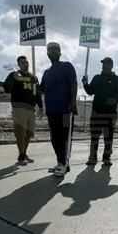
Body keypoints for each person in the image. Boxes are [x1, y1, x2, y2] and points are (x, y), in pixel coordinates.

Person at [41, 42, 78, 177]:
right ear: (47, 54)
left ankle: (64, 163)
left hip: (65, 110)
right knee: (54, 138)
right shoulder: (47, 73)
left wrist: (73, 103)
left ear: (60, 53)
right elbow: (41, 89)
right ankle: (60, 162)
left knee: (64, 137)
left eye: (55, 50)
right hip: (52, 111)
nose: (52, 52)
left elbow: (73, 84)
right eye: (50, 50)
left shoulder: (67, 67)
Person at [82, 57, 118, 166]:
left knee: (108, 137)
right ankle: (92, 157)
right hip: (96, 112)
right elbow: (90, 91)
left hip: (110, 114)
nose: (103, 66)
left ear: (111, 66)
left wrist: (115, 99)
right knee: (94, 136)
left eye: (106, 64)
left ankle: (107, 158)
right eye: (103, 64)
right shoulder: (97, 78)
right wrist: (85, 83)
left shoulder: (117, 79)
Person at [4, 56, 43, 165]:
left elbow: (37, 93)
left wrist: (41, 107)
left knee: (29, 133)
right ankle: (21, 156)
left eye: (26, 62)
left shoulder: (33, 78)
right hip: (19, 107)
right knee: (20, 132)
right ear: (19, 65)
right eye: (22, 62)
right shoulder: (14, 75)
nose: (25, 64)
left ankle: (23, 153)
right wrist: (13, 78)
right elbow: (6, 87)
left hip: (31, 109)